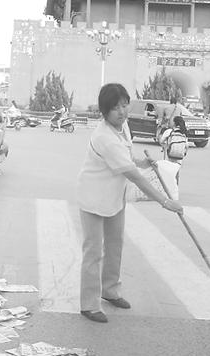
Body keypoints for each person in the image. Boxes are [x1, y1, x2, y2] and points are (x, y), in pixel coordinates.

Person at [76, 83, 183, 323]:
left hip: (114, 195)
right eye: (115, 109)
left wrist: (144, 163)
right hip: (94, 196)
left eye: (124, 105)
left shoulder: (123, 127)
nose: (122, 112)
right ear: (105, 112)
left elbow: (129, 159)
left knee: (115, 245)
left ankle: (110, 291)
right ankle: (89, 304)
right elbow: (132, 175)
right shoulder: (104, 137)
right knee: (94, 251)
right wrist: (165, 202)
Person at [157, 115, 188, 200]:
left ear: (174, 123)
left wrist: (164, 145)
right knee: (176, 173)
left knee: (169, 172)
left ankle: (167, 190)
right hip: (180, 156)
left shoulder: (169, 131)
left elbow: (161, 140)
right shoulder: (183, 132)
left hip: (170, 154)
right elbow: (186, 145)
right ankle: (175, 190)